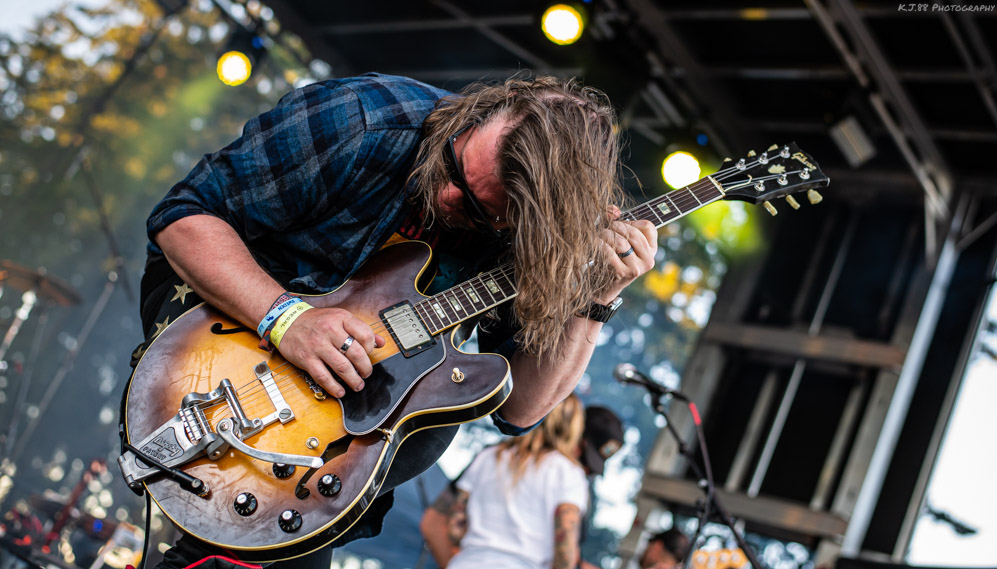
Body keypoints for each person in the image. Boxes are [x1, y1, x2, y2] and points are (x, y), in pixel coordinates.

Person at [125, 72, 658, 568]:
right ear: (483, 112)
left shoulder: (526, 243)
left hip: (335, 435)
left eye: (479, 211)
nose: (450, 195)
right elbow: (182, 216)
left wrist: (598, 300)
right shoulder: (364, 119)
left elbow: (518, 409)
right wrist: (286, 318)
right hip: (227, 330)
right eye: (454, 167)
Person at [419, 404, 625, 567]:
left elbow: (446, 525)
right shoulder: (570, 473)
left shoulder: (489, 456)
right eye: (584, 456)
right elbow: (565, 557)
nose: (586, 469)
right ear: (574, 431)